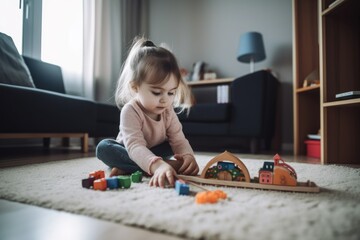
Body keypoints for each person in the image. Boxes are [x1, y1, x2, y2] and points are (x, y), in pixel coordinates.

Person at [96, 37, 199, 188]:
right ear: (135, 87)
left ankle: (128, 167)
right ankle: (158, 166)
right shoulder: (130, 110)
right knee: (103, 148)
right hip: (128, 151)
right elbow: (135, 146)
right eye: (157, 93)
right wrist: (159, 166)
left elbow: (179, 140)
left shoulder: (167, 111)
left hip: (154, 151)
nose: (165, 100)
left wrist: (188, 157)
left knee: (172, 145)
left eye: (171, 93)